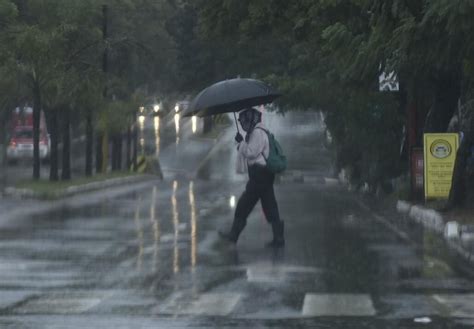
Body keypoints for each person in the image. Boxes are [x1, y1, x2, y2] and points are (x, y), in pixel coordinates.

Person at [219, 107, 285, 248]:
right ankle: (278, 238)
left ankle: (233, 235)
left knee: (245, 204)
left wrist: (241, 143)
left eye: (245, 121)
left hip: (259, 175)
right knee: (269, 205)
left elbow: (251, 153)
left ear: (251, 120)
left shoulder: (257, 133)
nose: (243, 125)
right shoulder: (257, 132)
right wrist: (242, 141)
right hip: (262, 175)